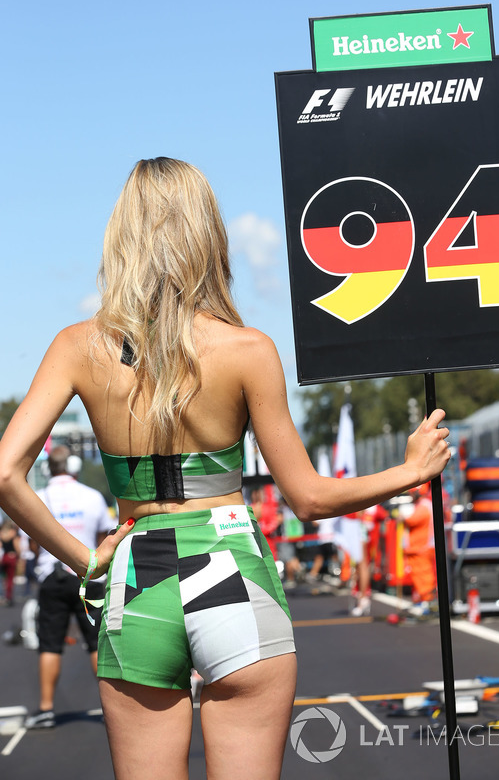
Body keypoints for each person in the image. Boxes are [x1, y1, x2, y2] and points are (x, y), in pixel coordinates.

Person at [0, 157, 450, 780]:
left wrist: (86, 559)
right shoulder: (247, 350)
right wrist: (409, 471)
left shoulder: (79, 347)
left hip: (137, 580)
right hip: (233, 567)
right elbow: (310, 499)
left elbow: (5, 475)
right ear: (206, 234)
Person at [24, 445, 115, 728]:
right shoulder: (91, 496)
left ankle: (46, 708)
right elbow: (103, 539)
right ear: (73, 466)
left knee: (49, 644)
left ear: (47, 468)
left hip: (53, 576)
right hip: (88, 574)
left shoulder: (37, 497)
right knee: (95, 642)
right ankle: (110, 708)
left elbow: (32, 544)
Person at [399, 483, 437, 615]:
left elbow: (413, 520)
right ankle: (422, 601)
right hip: (417, 549)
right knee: (418, 577)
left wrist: (403, 517)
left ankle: (426, 602)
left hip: (422, 548)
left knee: (424, 576)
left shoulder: (425, 506)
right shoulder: (422, 505)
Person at [0, 517, 21, 605]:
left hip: (4, 557)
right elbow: (17, 547)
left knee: (5, 579)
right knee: (10, 578)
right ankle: (9, 597)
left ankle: (5, 596)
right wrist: (19, 556)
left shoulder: (1, 534)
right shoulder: (13, 533)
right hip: (11, 556)